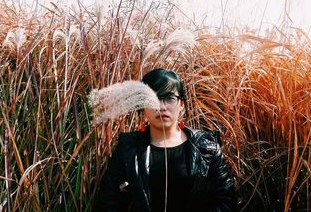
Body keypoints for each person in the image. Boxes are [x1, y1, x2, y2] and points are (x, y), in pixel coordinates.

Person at [98, 68, 236, 211]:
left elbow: (226, 200)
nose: (162, 107)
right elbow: (109, 199)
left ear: (181, 104)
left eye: (170, 98)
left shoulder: (206, 146)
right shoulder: (128, 147)